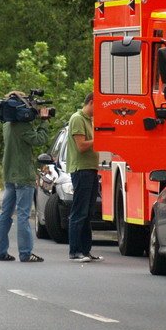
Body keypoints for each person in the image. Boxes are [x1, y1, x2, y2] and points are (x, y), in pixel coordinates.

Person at [0, 93, 50, 263]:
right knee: (23, 215)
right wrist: (44, 122)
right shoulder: (23, 127)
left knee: (5, 214)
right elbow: (40, 139)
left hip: (9, 173)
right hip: (23, 175)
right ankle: (25, 253)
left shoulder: (7, 125)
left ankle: (0, 251)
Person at [67, 92, 101, 263]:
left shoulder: (89, 120)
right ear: (92, 102)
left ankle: (85, 250)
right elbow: (81, 146)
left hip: (91, 169)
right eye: (99, 105)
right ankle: (75, 251)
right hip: (81, 170)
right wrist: (98, 139)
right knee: (79, 211)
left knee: (88, 212)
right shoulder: (77, 119)